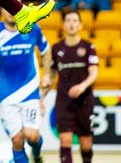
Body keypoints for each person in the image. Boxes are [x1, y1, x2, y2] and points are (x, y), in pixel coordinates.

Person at [0, 5, 50, 163]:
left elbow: (46, 50)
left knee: (32, 135)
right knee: (17, 140)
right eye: (7, 7)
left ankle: (37, 154)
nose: (10, 11)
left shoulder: (32, 28)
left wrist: (47, 74)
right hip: (6, 93)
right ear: (1, 10)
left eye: (14, 7)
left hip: (30, 91)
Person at [45, 11, 99, 163]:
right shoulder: (56, 48)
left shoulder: (88, 47)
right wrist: (42, 97)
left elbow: (94, 72)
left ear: (80, 25)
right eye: (68, 20)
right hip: (64, 100)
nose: (71, 23)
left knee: (86, 143)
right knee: (65, 140)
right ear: (63, 25)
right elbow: (51, 74)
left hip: (85, 101)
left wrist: (82, 87)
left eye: (75, 20)